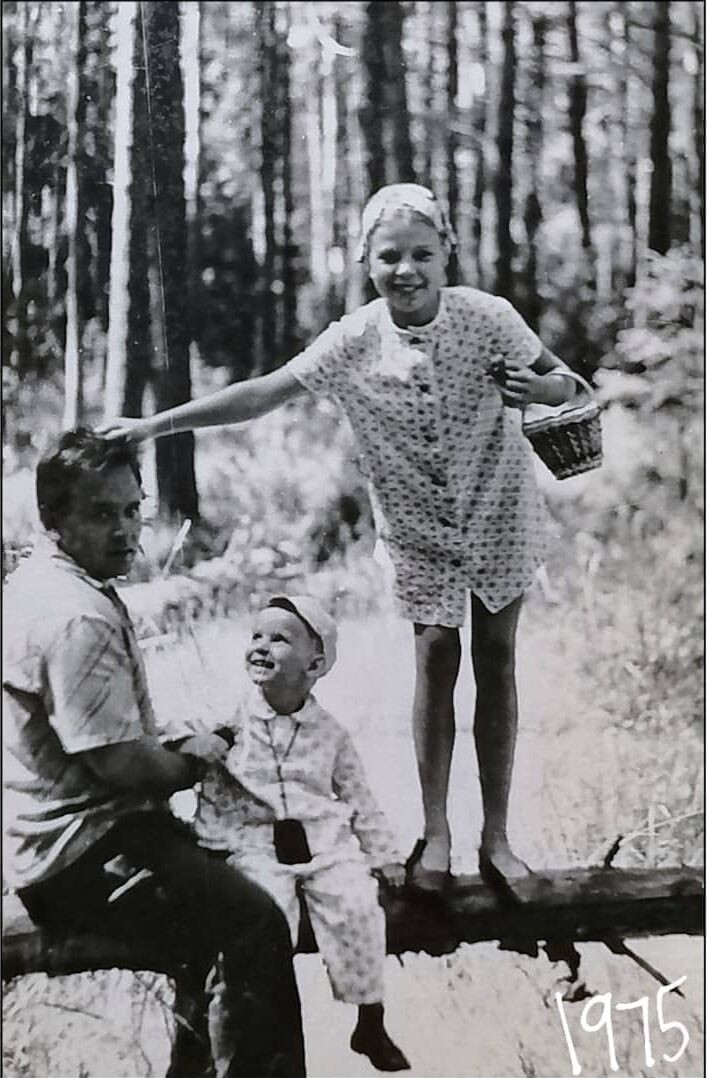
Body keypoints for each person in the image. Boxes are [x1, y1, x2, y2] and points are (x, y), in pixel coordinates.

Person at [99, 183, 579, 901]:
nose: (407, 270)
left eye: (422, 253)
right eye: (390, 256)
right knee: (436, 658)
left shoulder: (489, 317)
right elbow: (263, 392)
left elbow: (564, 382)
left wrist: (536, 392)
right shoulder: (354, 338)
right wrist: (150, 427)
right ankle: (437, 834)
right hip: (418, 530)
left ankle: (497, 838)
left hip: (499, 512)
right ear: (366, 261)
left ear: (447, 251)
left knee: (497, 659)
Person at [2, 428, 306, 1078]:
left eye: (132, 509)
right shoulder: (74, 615)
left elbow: (99, 740)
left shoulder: (42, 582)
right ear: (53, 518)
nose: (124, 530)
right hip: (81, 860)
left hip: (73, 840)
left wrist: (172, 744)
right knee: (251, 923)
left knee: (225, 906)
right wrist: (194, 759)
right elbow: (118, 764)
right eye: (101, 513)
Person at [192, 594, 410, 1073]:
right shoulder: (230, 717)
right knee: (268, 915)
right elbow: (185, 742)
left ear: (314, 664)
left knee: (356, 903)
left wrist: (384, 854)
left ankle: (370, 1018)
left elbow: (359, 798)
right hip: (253, 842)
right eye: (256, 636)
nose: (262, 646)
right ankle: (258, 1029)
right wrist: (194, 744)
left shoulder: (330, 732)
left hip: (321, 844)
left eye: (279, 639)